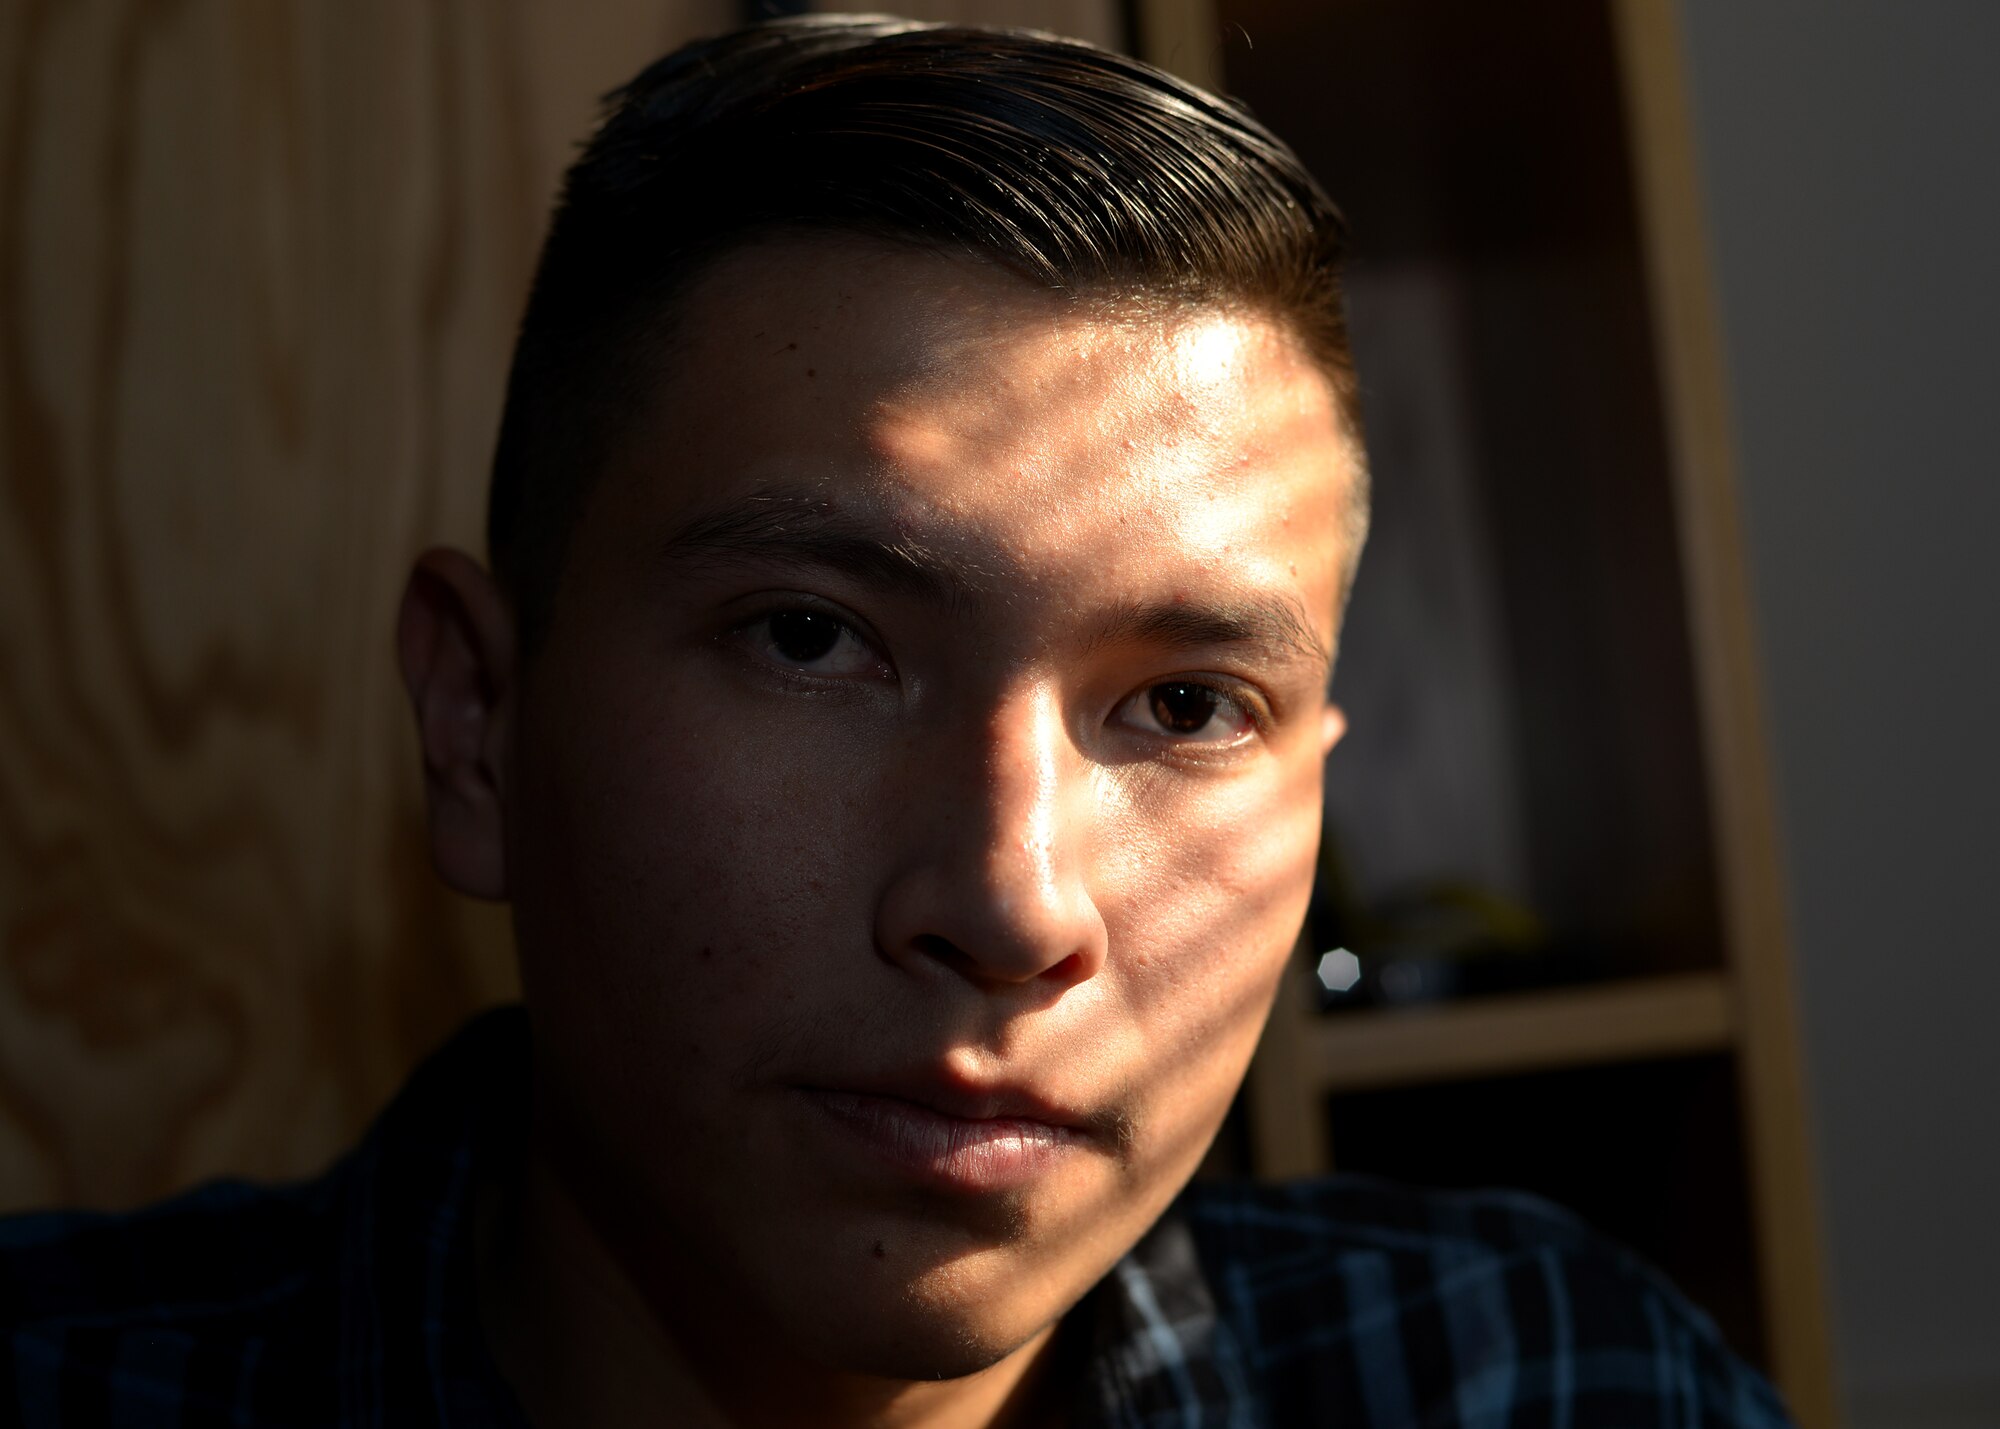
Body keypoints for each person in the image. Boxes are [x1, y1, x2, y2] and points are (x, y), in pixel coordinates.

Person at [0, 16, 1792, 1427]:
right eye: (810, 638)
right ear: (479, 721)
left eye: (1183, 703)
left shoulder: (1555, 1374)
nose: (1012, 905)